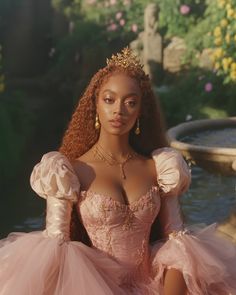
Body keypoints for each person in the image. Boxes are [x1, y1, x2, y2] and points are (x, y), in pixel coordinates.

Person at [0, 48, 236, 295]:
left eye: (130, 102)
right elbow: (57, 249)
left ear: (140, 111)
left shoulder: (161, 167)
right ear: (95, 103)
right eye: (109, 99)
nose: (119, 110)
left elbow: (177, 242)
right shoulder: (68, 171)